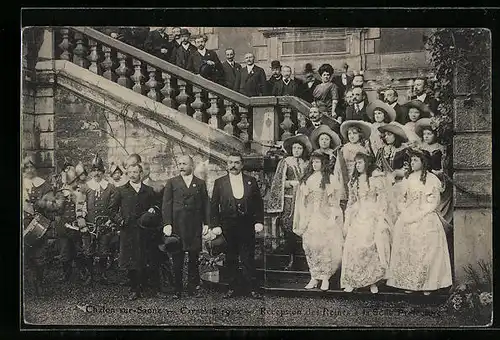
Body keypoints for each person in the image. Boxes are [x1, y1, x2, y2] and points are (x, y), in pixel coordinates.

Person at [386, 147, 452, 294]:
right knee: (407, 245)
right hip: (409, 213)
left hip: (425, 214)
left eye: (415, 160)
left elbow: (433, 201)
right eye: (411, 160)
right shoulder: (408, 178)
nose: (412, 162)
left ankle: (427, 284)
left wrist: (421, 213)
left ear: (424, 162)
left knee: (426, 246)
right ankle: (409, 283)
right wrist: (405, 211)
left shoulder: (431, 179)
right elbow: (401, 198)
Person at [210, 152, 264, 298]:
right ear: (227, 165)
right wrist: (215, 224)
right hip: (228, 225)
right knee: (230, 257)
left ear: (242, 164)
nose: (233, 165)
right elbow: (213, 206)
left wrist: (259, 221)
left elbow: (258, 203)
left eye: (236, 162)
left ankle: (252, 289)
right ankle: (232, 288)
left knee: (248, 257)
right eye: (230, 162)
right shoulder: (220, 182)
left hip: (246, 225)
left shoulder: (251, 181)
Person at [340, 152, 392, 294]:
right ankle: (354, 280)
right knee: (354, 245)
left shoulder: (374, 179)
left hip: (372, 214)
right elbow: (351, 201)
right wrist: (348, 219)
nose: (358, 165)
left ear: (367, 163)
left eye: (361, 162)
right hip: (359, 214)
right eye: (356, 163)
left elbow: (382, 199)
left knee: (371, 244)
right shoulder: (354, 181)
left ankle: (372, 281)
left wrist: (380, 216)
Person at [292, 150, 344, 291]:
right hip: (310, 216)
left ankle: (325, 277)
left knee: (324, 246)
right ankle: (314, 276)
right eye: (313, 162)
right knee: (310, 246)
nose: (315, 164)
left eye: (318, 162)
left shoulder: (329, 178)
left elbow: (333, 201)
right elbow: (302, 201)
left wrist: (332, 216)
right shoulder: (307, 179)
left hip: (324, 215)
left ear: (323, 163)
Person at [162, 155, 210, 298]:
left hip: (194, 226)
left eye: (185, 164)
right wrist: (167, 223)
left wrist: (207, 223)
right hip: (178, 225)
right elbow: (166, 204)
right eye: (180, 164)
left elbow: (206, 204)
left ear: (192, 166)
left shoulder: (200, 183)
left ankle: (193, 288)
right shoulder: (172, 182)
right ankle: (177, 289)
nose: (181, 166)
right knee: (177, 259)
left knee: (194, 259)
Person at [111, 163, 159, 300]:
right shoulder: (121, 190)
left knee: (144, 258)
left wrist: (153, 210)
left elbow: (156, 205)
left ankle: (143, 286)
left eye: (135, 172)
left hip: (145, 230)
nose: (132, 175)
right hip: (128, 230)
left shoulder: (148, 190)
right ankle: (133, 288)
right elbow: (112, 210)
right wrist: (120, 221)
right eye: (130, 172)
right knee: (130, 260)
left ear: (141, 173)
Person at [265, 134, 311, 271]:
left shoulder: (307, 163)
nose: (297, 150)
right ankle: (290, 259)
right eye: (294, 148)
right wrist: (290, 183)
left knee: (304, 228)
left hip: (303, 199)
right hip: (289, 199)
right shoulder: (285, 162)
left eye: (299, 148)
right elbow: (278, 182)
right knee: (288, 229)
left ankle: (304, 261)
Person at [81, 154, 119, 286]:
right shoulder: (85, 188)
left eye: (99, 170)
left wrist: (111, 221)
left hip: (105, 225)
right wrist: (82, 225)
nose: (97, 173)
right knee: (88, 252)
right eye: (94, 170)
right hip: (89, 226)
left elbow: (114, 207)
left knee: (104, 251)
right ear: (91, 172)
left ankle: (102, 275)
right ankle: (90, 275)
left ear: (103, 172)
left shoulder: (110, 187)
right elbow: (80, 207)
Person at [22, 155, 54, 295]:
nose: (29, 169)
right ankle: (32, 284)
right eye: (26, 167)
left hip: (39, 226)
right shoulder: (20, 183)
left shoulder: (44, 185)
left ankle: (40, 282)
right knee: (26, 257)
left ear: (36, 168)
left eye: (32, 166)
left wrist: (37, 205)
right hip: (23, 225)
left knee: (40, 257)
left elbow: (51, 205)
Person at [415, 118, 452, 226]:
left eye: (429, 134)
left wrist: (440, 172)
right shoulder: (421, 148)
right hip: (424, 179)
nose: (426, 136)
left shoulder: (441, 148)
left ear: (435, 135)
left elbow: (445, 165)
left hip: (439, 178)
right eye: (424, 134)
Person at [54, 166, 88, 283]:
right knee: (64, 252)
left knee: (78, 251)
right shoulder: (60, 192)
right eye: (70, 181)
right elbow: (57, 210)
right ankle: (66, 274)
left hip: (76, 225)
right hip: (64, 226)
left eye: (74, 181)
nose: (72, 183)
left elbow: (83, 207)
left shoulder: (81, 191)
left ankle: (83, 273)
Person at [375, 122, 410, 222]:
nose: (386, 137)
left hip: (400, 184)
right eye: (385, 135)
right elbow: (377, 167)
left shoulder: (404, 150)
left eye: (389, 135)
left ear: (396, 136)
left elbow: (408, 169)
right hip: (384, 185)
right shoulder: (381, 151)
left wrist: (395, 173)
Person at [334, 120, 372, 201]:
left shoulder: (363, 149)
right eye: (349, 133)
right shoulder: (343, 148)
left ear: (360, 134)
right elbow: (338, 166)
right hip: (343, 176)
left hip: (357, 176)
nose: (352, 136)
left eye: (354, 133)